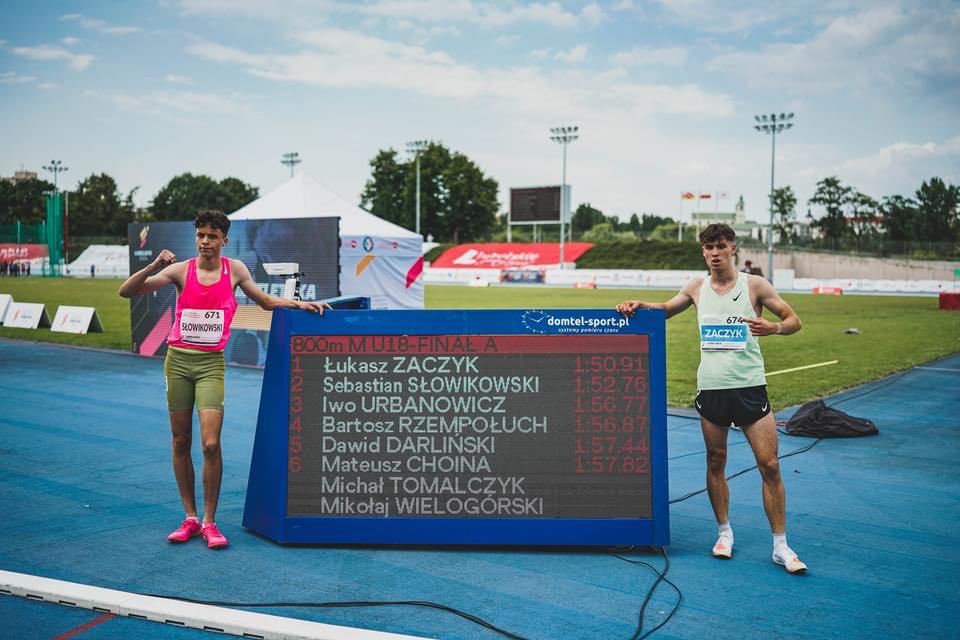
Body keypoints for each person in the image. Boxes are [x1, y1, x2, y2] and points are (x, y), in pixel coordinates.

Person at [119, 209, 331, 549]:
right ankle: (189, 518)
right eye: (200, 235)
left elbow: (263, 302)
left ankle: (210, 522)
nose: (205, 241)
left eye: (212, 236)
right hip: (177, 363)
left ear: (224, 240)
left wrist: (298, 305)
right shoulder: (179, 270)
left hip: (210, 366)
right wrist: (155, 265)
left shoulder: (234, 270)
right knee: (180, 441)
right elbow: (126, 292)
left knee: (211, 444)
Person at [617, 223, 807, 574]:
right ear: (703, 252)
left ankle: (781, 545)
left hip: (750, 387)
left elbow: (794, 320)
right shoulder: (696, 287)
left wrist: (775, 328)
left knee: (770, 465)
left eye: (721, 246)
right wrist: (639, 303)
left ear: (733, 248)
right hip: (712, 388)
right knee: (716, 460)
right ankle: (724, 533)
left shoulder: (755, 285)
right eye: (708, 247)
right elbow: (664, 309)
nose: (714, 252)